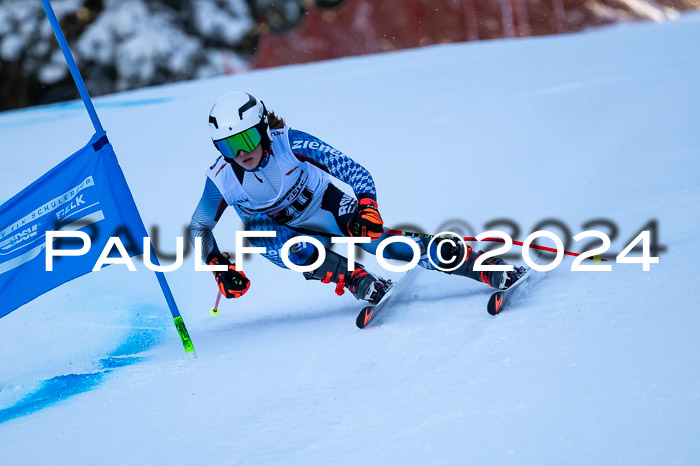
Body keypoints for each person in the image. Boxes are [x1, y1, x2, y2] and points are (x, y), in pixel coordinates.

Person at [188, 92, 526, 303]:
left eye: (247, 139)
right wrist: (218, 265)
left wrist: (367, 206)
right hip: (287, 235)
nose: (241, 152)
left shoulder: (290, 143)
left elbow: (355, 172)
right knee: (260, 234)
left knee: (383, 244)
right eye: (229, 146)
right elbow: (199, 227)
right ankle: (354, 277)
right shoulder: (221, 178)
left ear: (262, 129)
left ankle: (480, 264)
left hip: (325, 207)